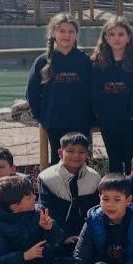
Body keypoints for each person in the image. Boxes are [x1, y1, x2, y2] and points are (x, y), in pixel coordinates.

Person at [26, 13, 93, 164]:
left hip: (80, 121)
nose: (66, 35)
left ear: (76, 35)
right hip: (54, 121)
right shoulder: (42, 61)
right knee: (58, 161)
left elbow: (93, 91)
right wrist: (42, 117)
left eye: (71, 31)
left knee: (81, 160)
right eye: (62, 31)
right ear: (53, 33)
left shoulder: (85, 60)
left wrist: (92, 117)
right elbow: (32, 93)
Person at [91, 16, 133, 174]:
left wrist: (132, 115)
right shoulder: (98, 63)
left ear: (128, 37)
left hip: (131, 121)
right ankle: (114, 194)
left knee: (131, 160)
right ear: (106, 38)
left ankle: (132, 194)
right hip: (108, 121)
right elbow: (95, 93)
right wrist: (100, 116)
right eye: (112, 34)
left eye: (121, 34)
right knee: (114, 159)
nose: (117, 38)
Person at [38, 132, 101, 249]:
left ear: (87, 154)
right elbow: (47, 212)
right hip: (57, 234)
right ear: (61, 153)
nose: (76, 155)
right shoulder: (47, 178)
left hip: (88, 234)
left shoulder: (95, 178)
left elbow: (96, 211)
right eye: (70, 151)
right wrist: (63, 237)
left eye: (81, 152)